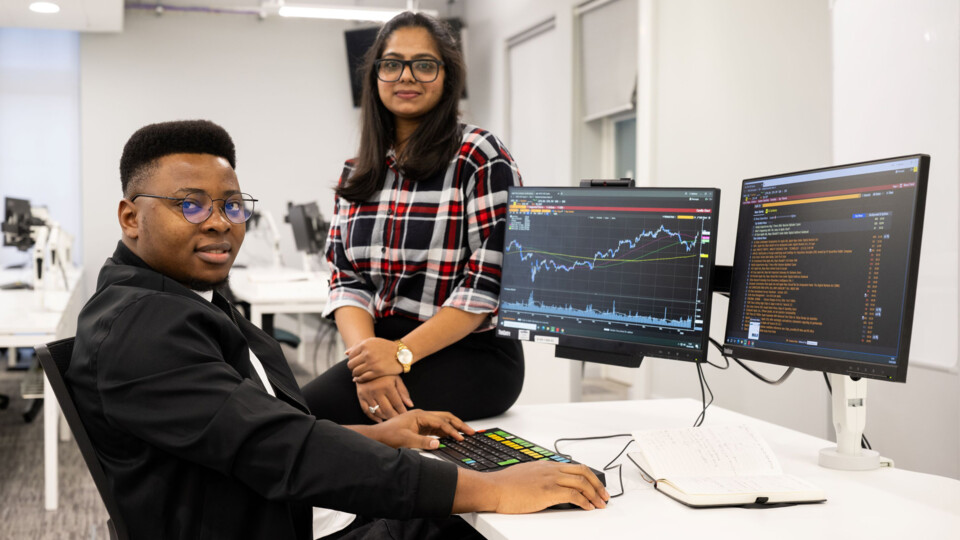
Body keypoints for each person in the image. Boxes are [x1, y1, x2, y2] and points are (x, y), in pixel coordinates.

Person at [67, 119, 608, 540]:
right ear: (130, 217)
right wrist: (488, 490)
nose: (218, 221)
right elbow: (280, 447)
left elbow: (241, 436)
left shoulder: (178, 300)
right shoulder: (144, 328)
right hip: (276, 526)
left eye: (232, 205)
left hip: (269, 511)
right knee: (506, 523)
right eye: (190, 204)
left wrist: (379, 435)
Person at [302, 11, 524, 426]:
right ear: (375, 76)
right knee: (296, 414)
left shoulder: (478, 155)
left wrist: (400, 355)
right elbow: (346, 280)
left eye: (424, 64)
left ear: (446, 76)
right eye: (392, 64)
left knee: (304, 418)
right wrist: (367, 363)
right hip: (381, 347)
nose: (407, 76)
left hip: (471, 351)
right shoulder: (358, 170)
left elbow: (486, 285)